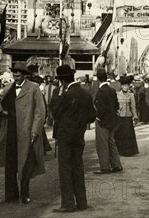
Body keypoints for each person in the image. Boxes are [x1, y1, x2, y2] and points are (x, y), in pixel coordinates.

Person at [0, 62, 46, 204]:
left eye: (19, 74)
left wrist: (35, 131)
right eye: (14, 73)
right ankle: (10, 196)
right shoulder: (7, 87)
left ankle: (24, 195)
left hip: (26, 132)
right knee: (10, 165)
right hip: (10, 132)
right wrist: (1, 111)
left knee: (25, 165)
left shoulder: (34, 88)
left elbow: (40, 111)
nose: (16, 76)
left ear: (24, 74)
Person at [52, 65, 96, 213]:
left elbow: (55, 114)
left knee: (65, 169)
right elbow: (91, 116)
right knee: (78, 167)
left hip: (65, 136)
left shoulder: (65, 95)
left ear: (63, 81)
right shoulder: (86, 94)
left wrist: (58, 97)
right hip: (79, 136)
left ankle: (68, 204)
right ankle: (82, 202)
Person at [93, 69, 122, 174]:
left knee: (102, 144)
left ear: (98, 79)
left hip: (103, 122)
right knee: (111, 142)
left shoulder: (100, 92)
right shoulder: (112, 90)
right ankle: (117, 165)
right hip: (113, 121)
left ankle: (105, 167)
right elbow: (116, 106)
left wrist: (98, 118)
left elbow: (100, 109)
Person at [115, 76, 139, 156]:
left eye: (127, 86)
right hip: (119, 117)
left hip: (128, 117)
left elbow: (133, 106)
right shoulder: (117, 94)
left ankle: (129, 151)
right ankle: (120, 151)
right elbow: (115, 106)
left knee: (128, 135)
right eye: (124, 86)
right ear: (121, 86)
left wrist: (135, 117)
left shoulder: (131, 95)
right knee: (119, 135)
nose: (126, 87)